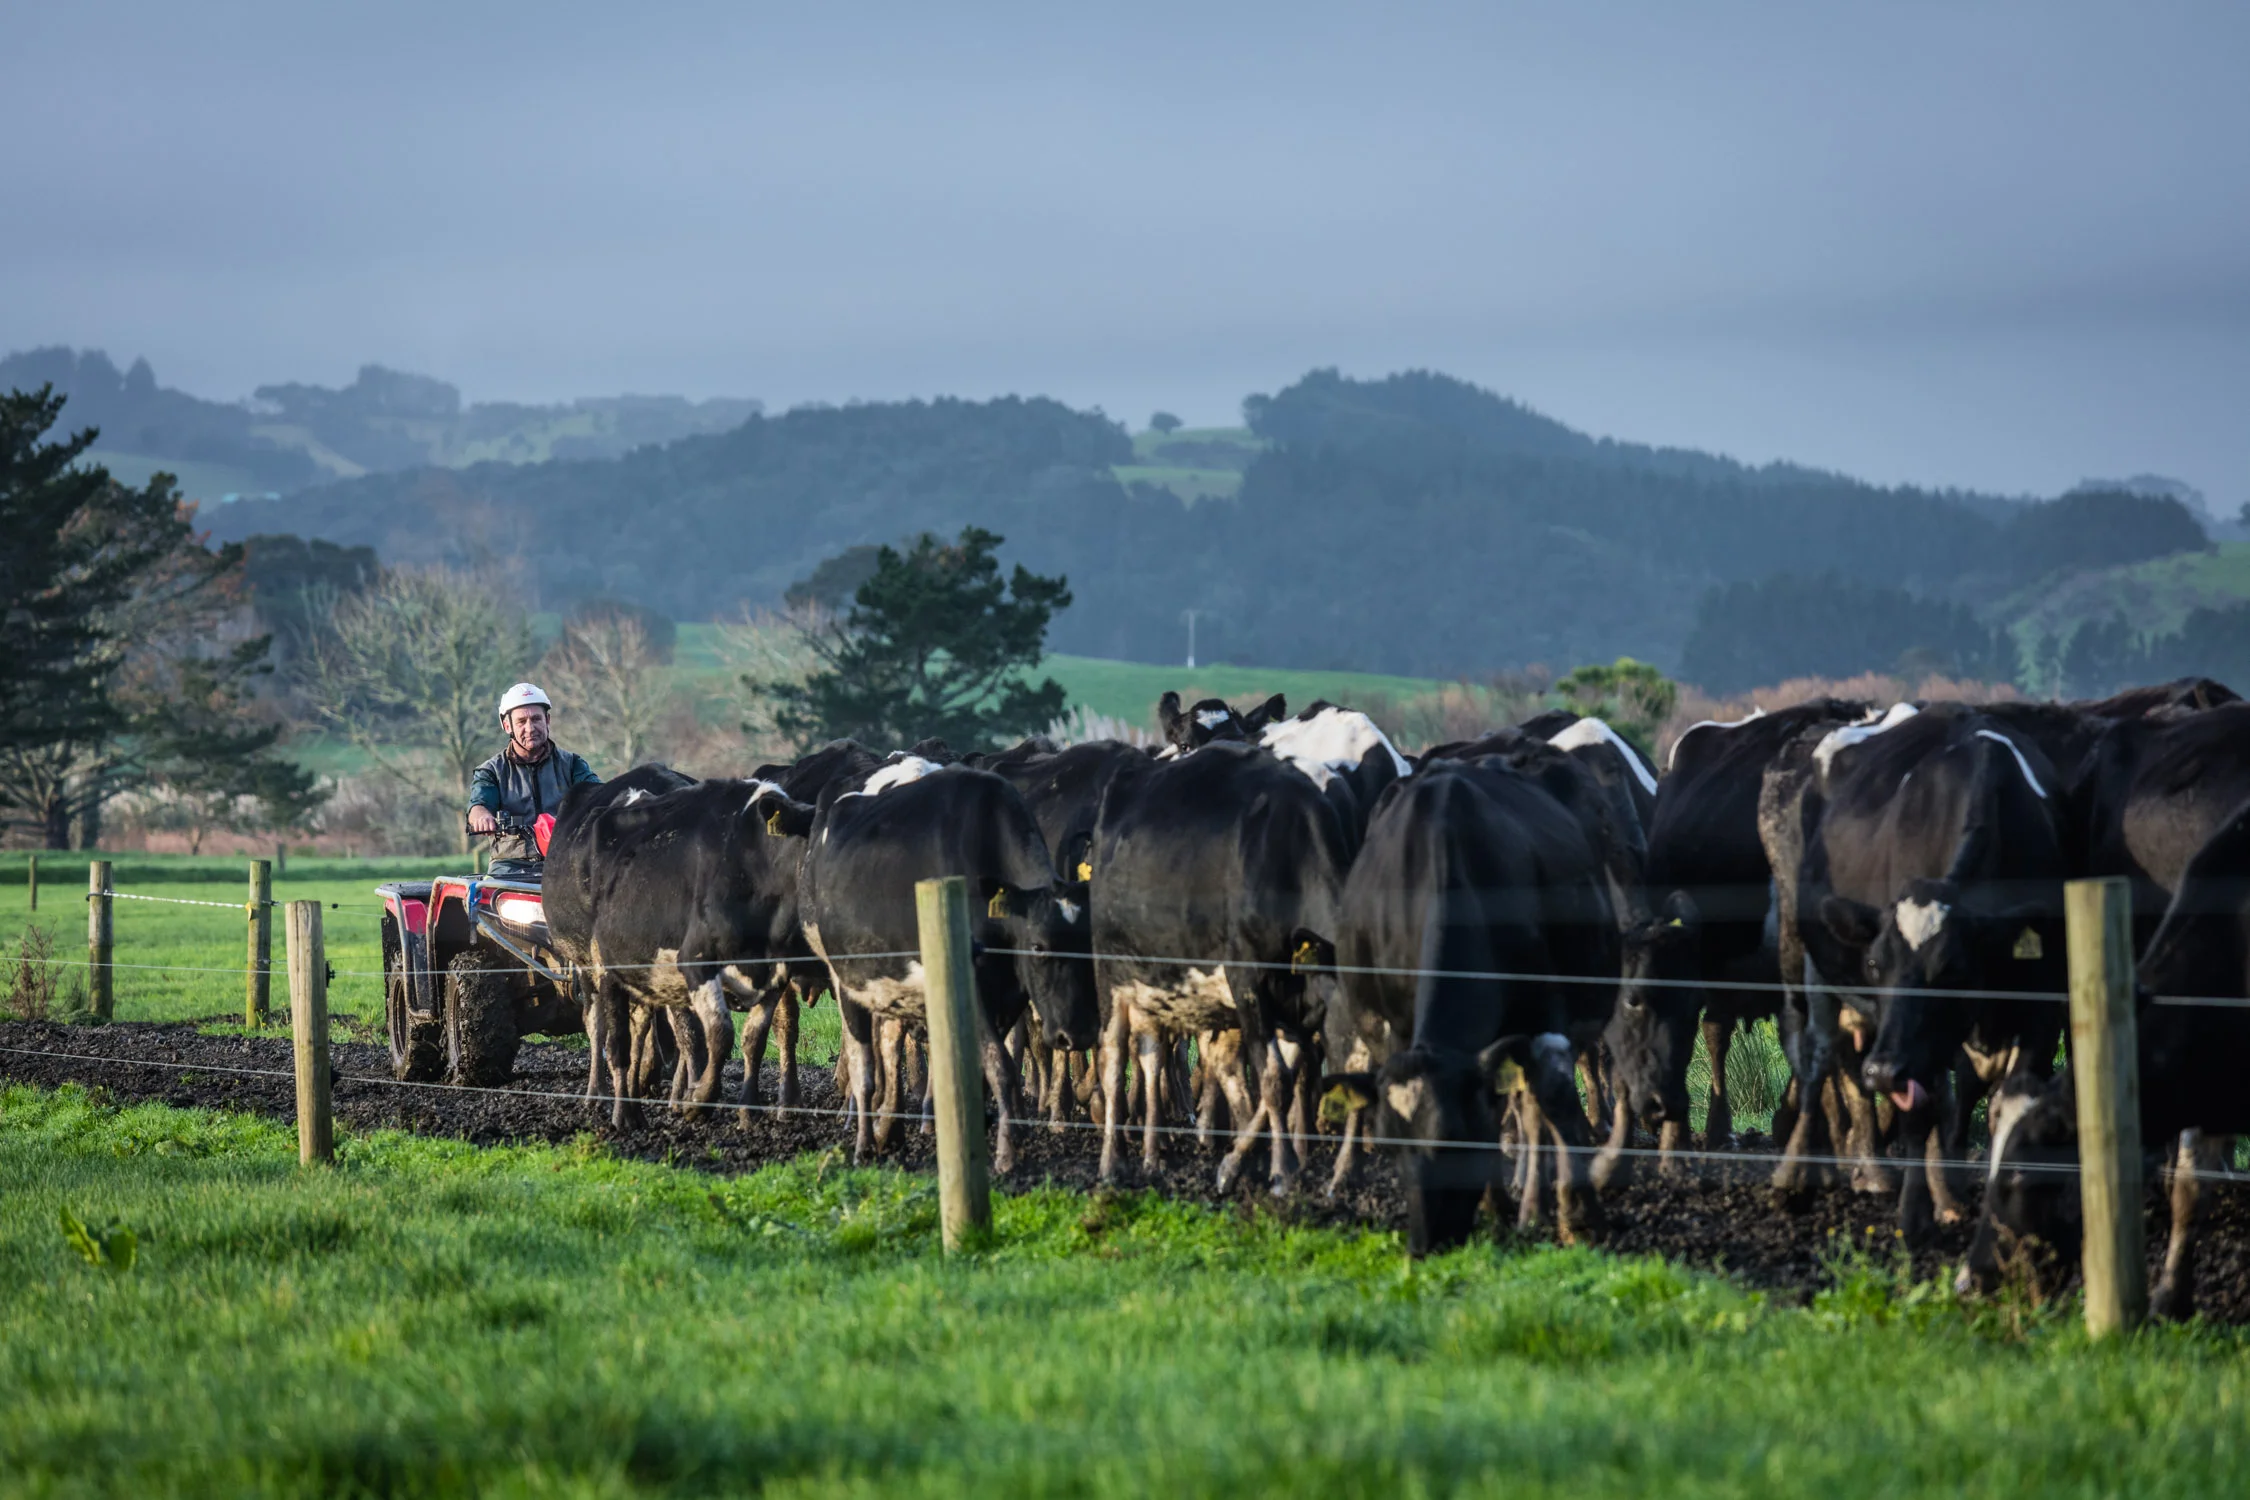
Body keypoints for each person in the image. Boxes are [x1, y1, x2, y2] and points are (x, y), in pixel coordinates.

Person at [467, 683, 601, 865]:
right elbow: (478, 805)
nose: (530, 728)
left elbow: (598, 794)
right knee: (493, 892)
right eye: (521, 722)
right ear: (507, 726)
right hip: (510, 865)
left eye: (536, 719)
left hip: (565, 860)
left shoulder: (573, 764)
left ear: (547, 720)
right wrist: (482, 817)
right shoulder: (491, 771)